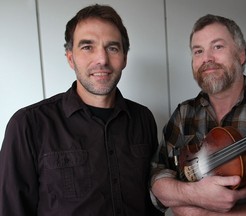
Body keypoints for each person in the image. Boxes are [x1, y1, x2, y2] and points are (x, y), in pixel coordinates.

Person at [0, 4, 163, 216]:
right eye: (88, 47)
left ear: (124, 58)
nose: (102, 60)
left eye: (112, 48)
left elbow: (151, 203)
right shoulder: (28, 124)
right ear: (70, 58)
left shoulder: (143, 118)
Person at [150, 14, 246, 215]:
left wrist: (201, 213)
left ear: (241, 55)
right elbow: (157, 180)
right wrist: (194, 194)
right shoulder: (183, 113)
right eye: (198, 51)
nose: (207, 58)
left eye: (217, 47)